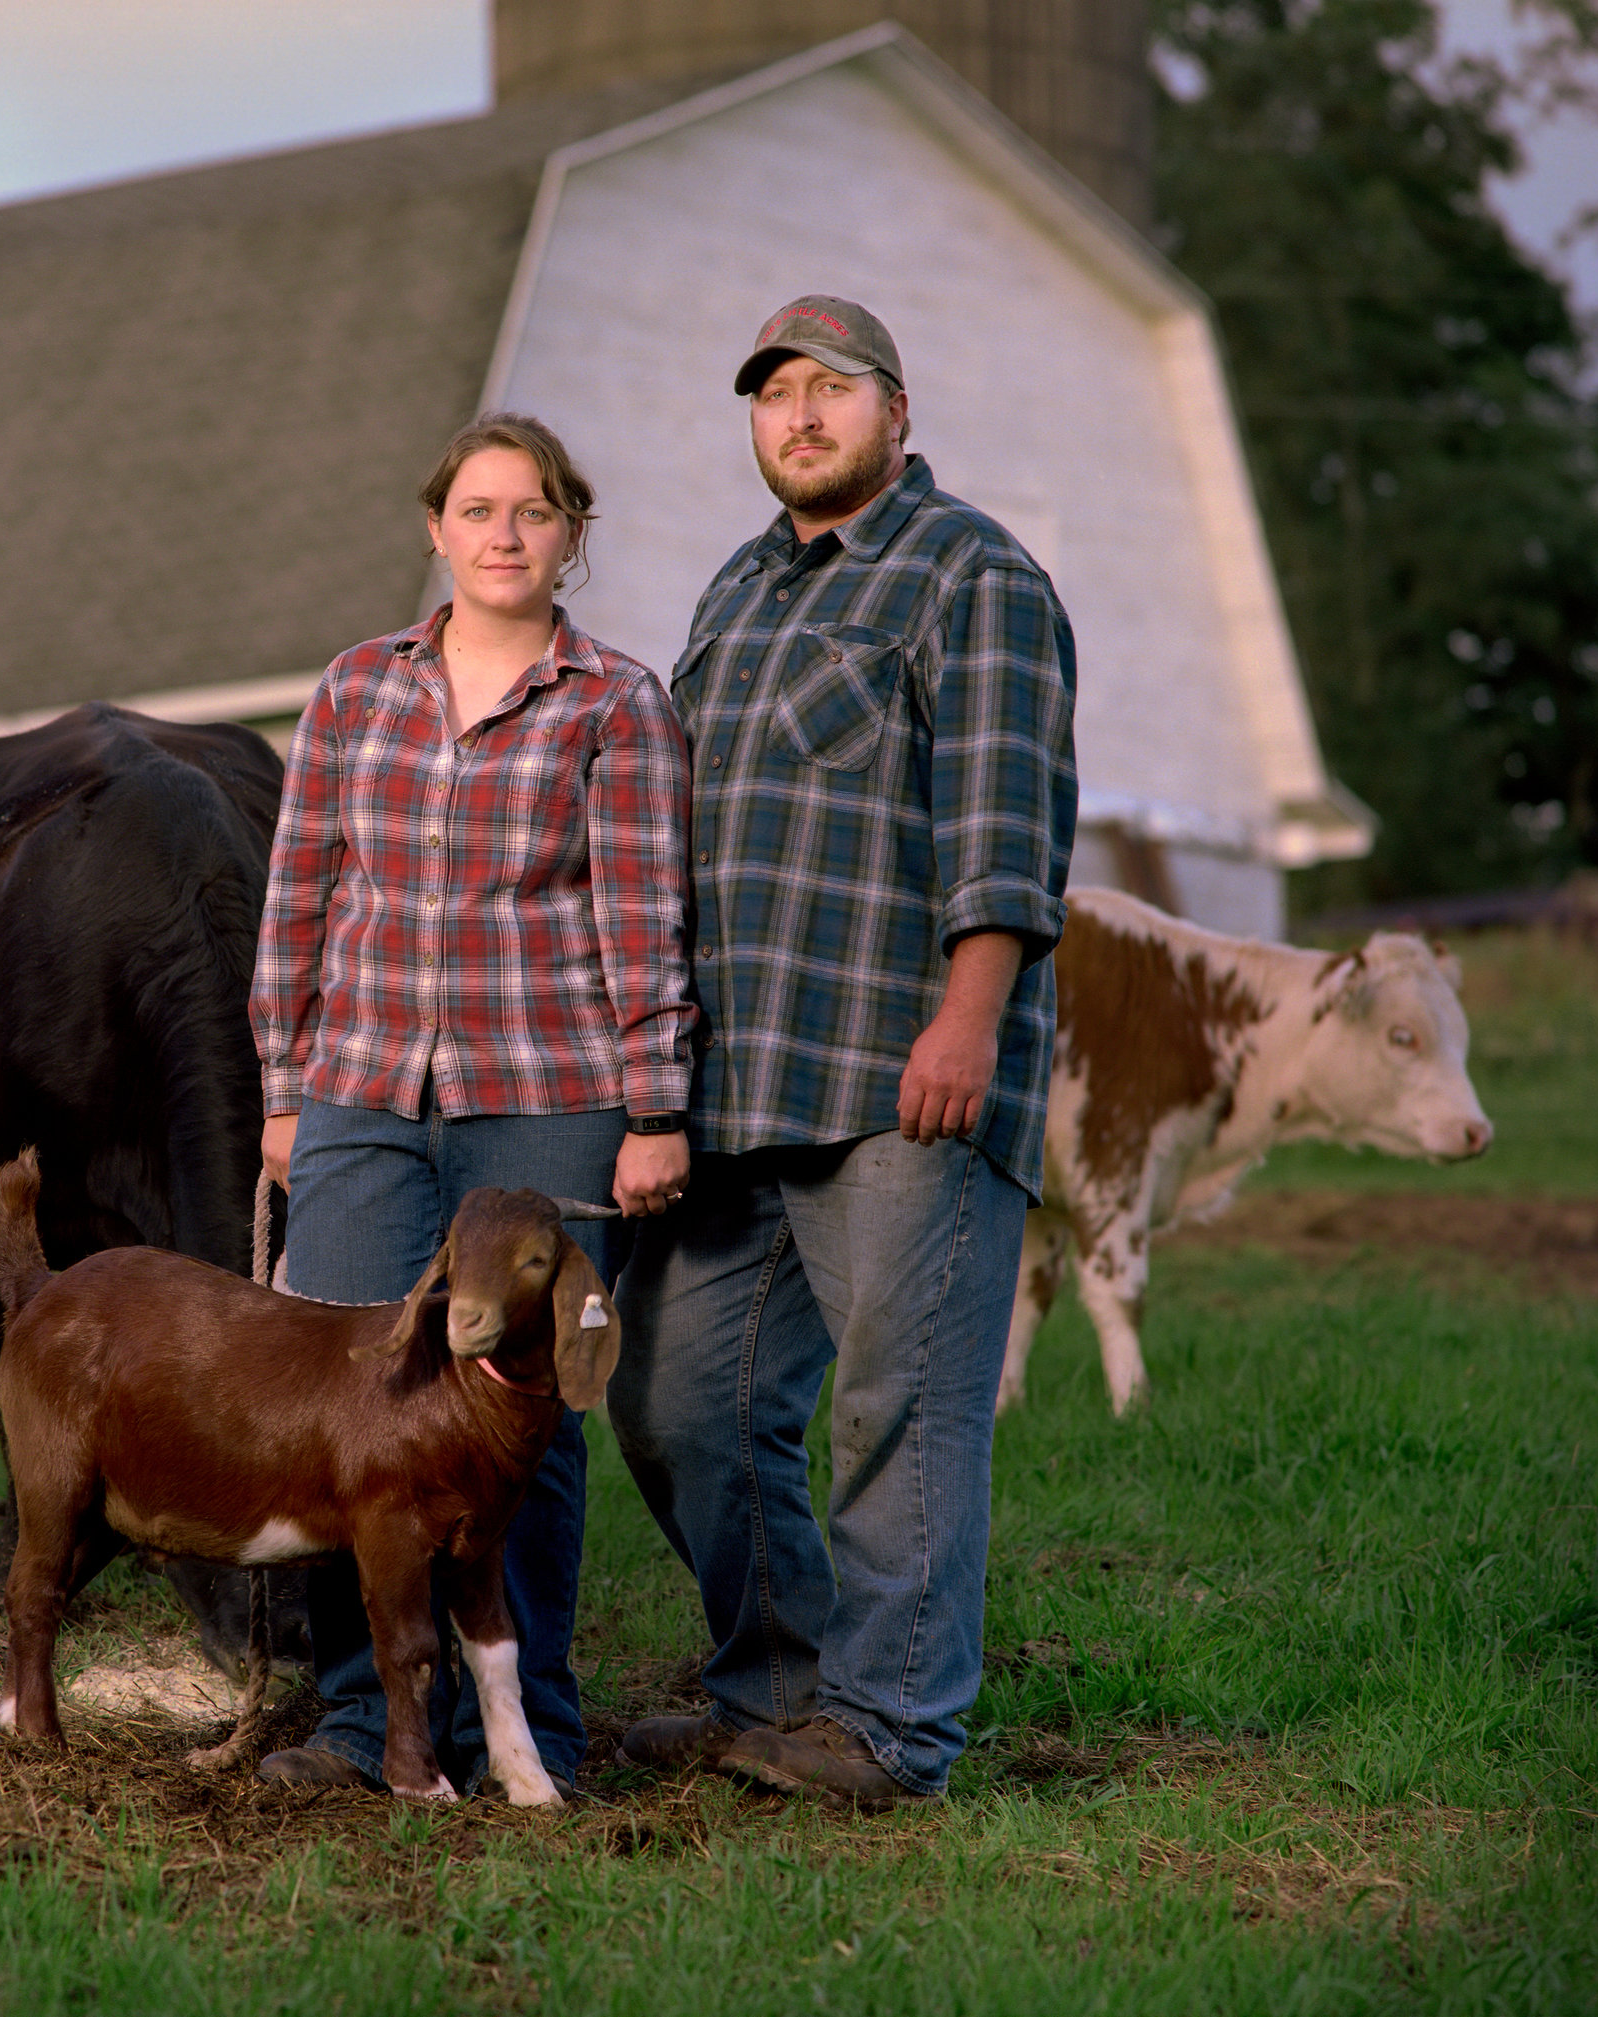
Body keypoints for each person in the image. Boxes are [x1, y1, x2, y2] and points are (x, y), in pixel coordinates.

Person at [608, 296, 1078, 1811]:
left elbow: (1009, 817)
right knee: (675, 1405)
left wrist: (969, 1014)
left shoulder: (971, 571)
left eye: (831, 389)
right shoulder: (737, 595)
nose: (799, 417)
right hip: (741, 1085)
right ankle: (780, 1688)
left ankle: (892, 1731)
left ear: (896, 407)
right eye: (774, 395)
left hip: (902, 1073)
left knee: (899, 1405)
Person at [248, 411, 696, 1796]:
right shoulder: (352, 690)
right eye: (481, 509)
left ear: (573, 536)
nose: (507, 534)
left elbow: (644, 920)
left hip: (547, 1103)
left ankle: (533, 1728)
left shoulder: (616, 703)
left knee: (529, 1414)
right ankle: (354, 1718)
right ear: (436, 529)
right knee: (346, 1397)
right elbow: (299, 901)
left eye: (537, 512)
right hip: (365, 1093)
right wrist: (284, 1088)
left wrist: (655, 1107)